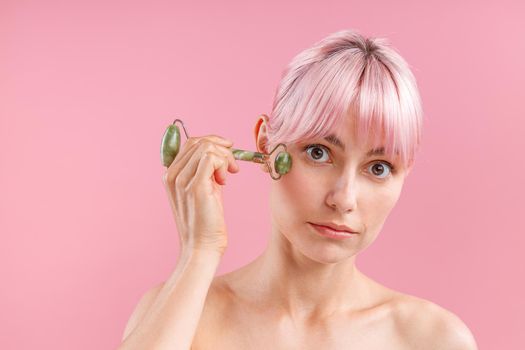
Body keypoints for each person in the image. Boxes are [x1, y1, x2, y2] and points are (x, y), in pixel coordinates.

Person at [118, 29, 478, 349]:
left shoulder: (433, 340)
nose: (344, 199)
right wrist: (199, 252)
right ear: (265, 143)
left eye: (379, 168)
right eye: (319, 153)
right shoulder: (178, 316)